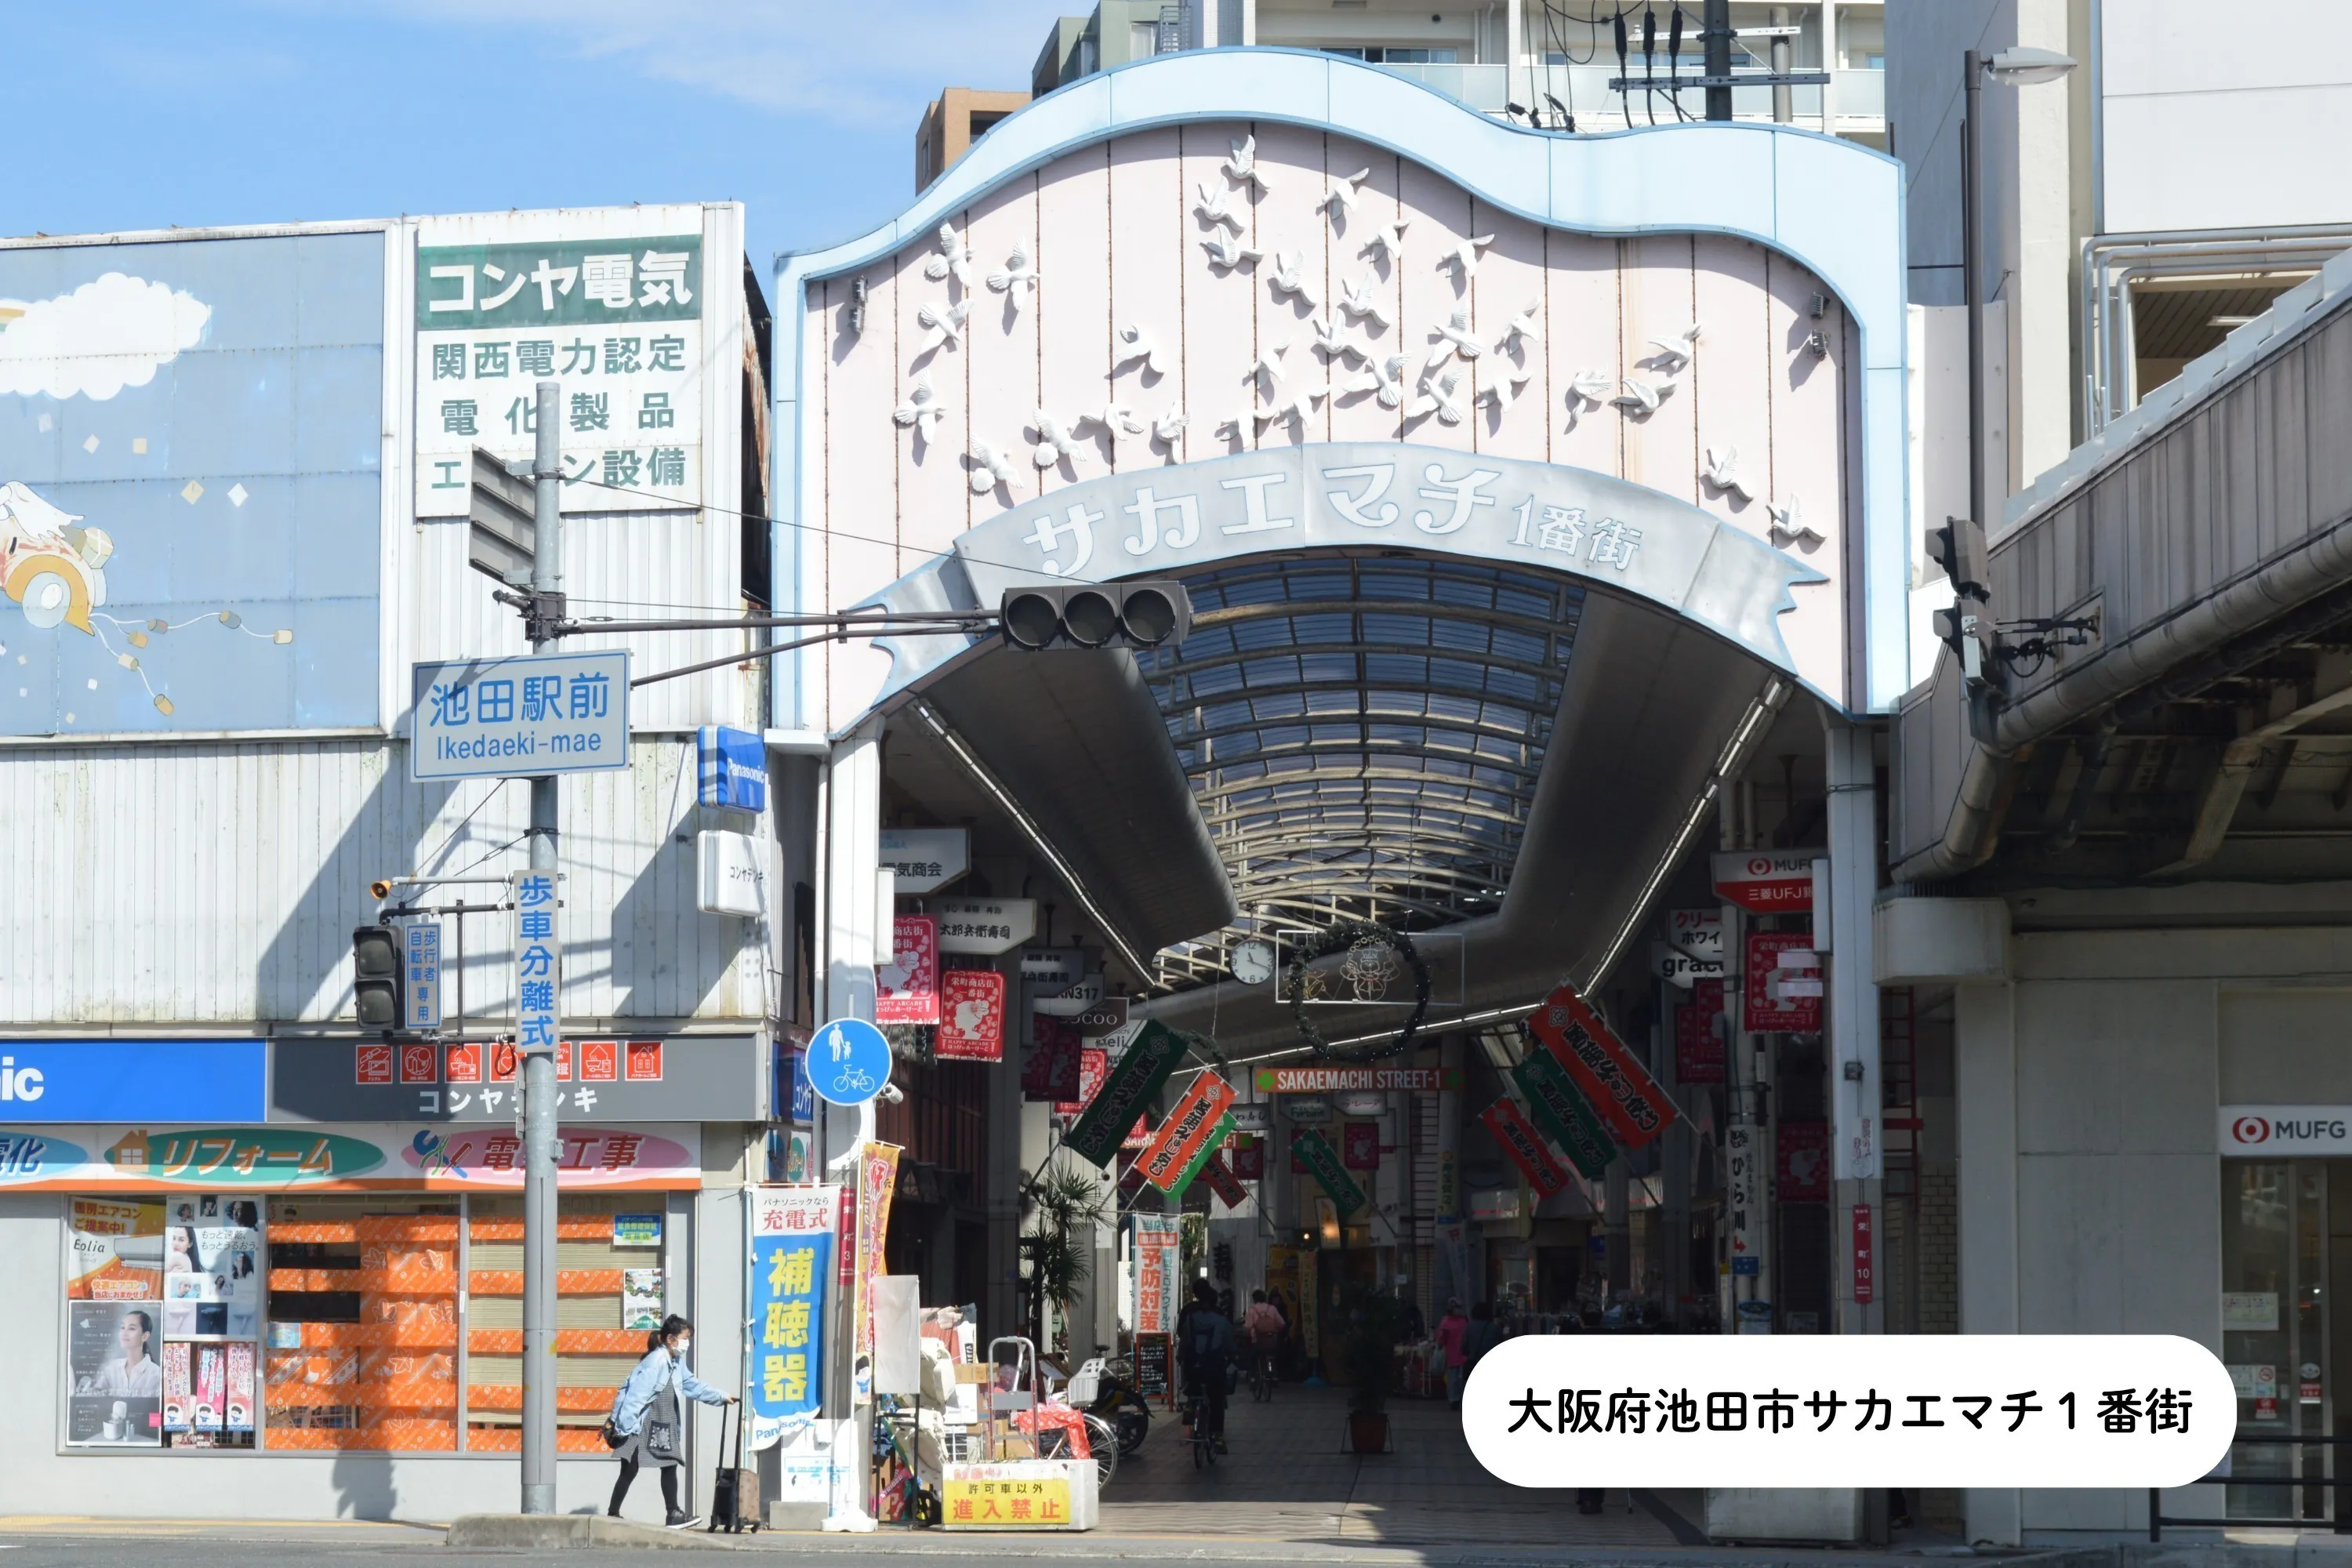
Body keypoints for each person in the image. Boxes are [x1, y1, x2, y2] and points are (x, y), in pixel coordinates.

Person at [608, 1314, 735, 1527]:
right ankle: (613, 1515)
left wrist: (721, 1396)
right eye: (685, 1338)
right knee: (630, 1469)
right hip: (641, 1424)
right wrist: (623, 1428)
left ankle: (671, 1513)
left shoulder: (676, 1363)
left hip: (661, 1423)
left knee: (669, 1464)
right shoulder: (655, 1362)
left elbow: (692, 1385)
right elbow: (635, 1397)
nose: (687, 1344)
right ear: (670, 1339)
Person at [1175, 1278, 1236, 1452]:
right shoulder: (1221, 1318)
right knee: (1217, 1400)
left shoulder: (1189, 1315)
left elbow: (1183, 1338)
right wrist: (1233, 1356)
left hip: (1194, 1365)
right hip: (1214, 1367)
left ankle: (1190, 1405)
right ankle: (1218, 1438)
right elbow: (1229, 1343)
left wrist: (1182, 1356)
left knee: (1193, 1384)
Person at [87, 1308, 161, 1398]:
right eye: (122, 1328)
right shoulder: (112, 1368)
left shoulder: (156, 1374)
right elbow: (96, 1396)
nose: (124, 1333)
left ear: (145, 1336)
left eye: (132, 1329)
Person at [1241, 1288, 1286, 1390]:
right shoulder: (1272, 1309)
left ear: (1254, 1299)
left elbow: (1248, 1326)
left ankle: (1253, 1378)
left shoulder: (1252, 1310)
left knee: (1253, 1359)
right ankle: (1272, 1374)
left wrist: (1247, 1334)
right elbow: (1282, 1324)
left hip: (1257, 1341)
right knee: (1271, 1357)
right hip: (1271, 1340)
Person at [1433, 1298, 1470, 1405]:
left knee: (1460, 1379)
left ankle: (1459, 1399)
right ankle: (1454, 1400)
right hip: (1453, 1356)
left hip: (1462, 1355)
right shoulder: (1447, 1322)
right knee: (1454, 1379)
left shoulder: (1463, 1321)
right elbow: (1441, 1340)